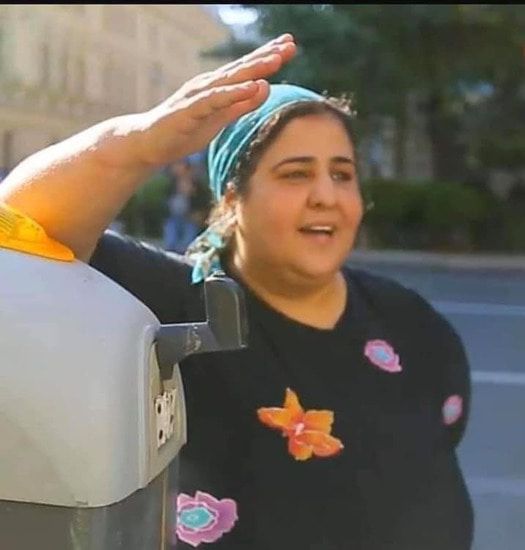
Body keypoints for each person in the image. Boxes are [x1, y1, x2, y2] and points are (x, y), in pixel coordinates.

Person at [0, 33, 473, 549]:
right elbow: (17, 227)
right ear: (231, 198)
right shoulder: (170, 303)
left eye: (343, 174)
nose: (326, 195)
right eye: (296, 174)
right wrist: (139, 143)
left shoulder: (410, 324)